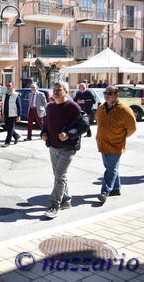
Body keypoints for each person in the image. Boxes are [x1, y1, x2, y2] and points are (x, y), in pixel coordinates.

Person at [41, 82, 89, 219]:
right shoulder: (50, 107)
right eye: (54, 89)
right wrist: (43, 133)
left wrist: (68, 134)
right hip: (53, 146)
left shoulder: (72, 106)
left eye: (59, 90)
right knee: (58, 175)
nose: (56, 92)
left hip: (68, 147)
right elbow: (46, 124)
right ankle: (66, 201)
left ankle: (54, 206)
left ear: (66, 92)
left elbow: (84, 124)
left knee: (59, 175)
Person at [95, 86, 136, 203]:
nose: (106, 95)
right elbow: (98, 121)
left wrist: (120, 136)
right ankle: (116, 188)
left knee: (111, 168)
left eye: (109, 93)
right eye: (105, 93)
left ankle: (105, 192)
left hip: (116, 143)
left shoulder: (124, 110)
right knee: (111, 167)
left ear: (116, 95)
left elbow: (132, 128)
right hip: (102, 143)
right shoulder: (101, 108)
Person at [1, 82, 21, 147]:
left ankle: (7, 142)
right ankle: (16, 136)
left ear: (12, 86)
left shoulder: (16, 95)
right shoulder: (5, 94)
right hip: (6, 113)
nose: (8, 87)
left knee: (10, 128)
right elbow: (3, 104)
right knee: (7, 127)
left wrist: (18, 116)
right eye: (7, 85)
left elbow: (19, 106)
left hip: (13, 114)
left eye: (9, 85)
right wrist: (2, 112)